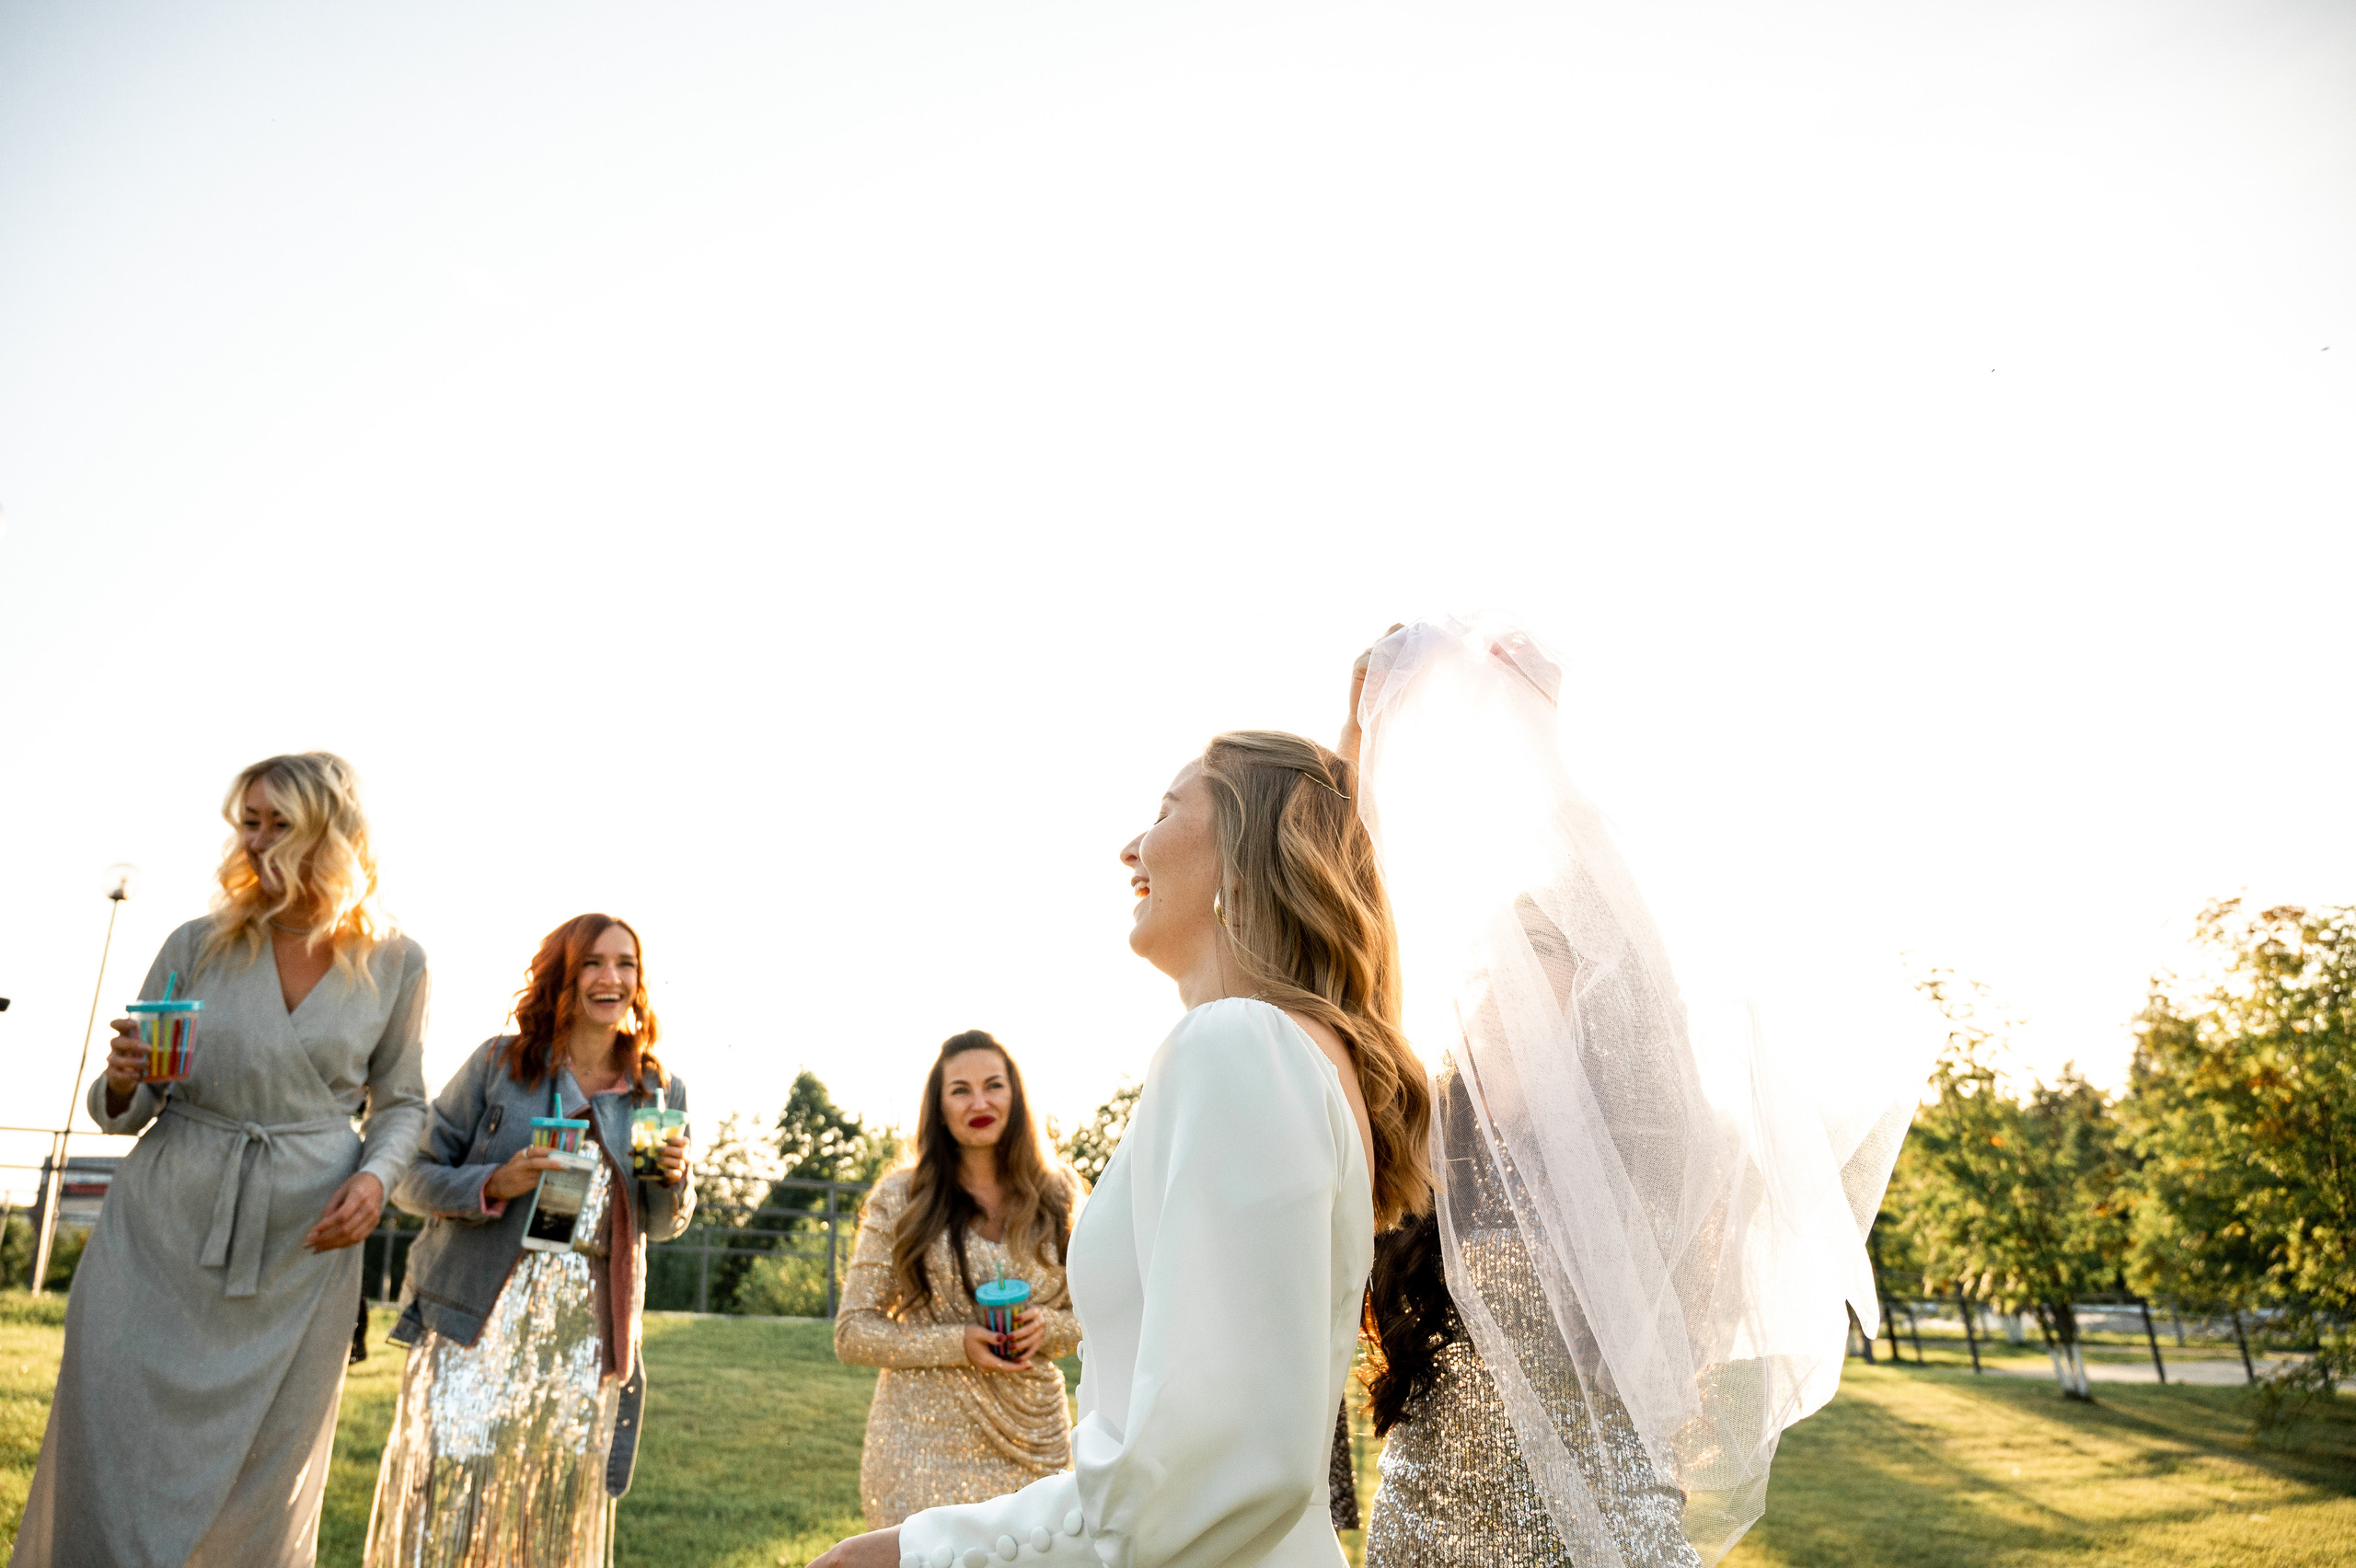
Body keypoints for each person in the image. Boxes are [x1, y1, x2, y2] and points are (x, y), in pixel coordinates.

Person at [1344, 617, 1919, 1568]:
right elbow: (1342, 951)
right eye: (1484, 968)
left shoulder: (1639, 1142)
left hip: (1596, 1539)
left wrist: (1543, 754)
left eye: (1534, 958)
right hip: (1422, 1540)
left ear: (1597, 990)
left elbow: (1631, 941)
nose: (1500, 988)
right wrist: (1358, 736)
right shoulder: (1422, 1139)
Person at [813, 730, 1432, 1568]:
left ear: (1243, 855)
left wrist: (920, 1553)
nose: (1131, 847)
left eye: (1167, 810)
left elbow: (1213, 1475)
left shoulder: (1240, 1045)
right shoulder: (1305, 1056)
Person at [11, 752, 429, 1568]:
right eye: (250, 820)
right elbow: (126, 1107)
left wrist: (375, 1178)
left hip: (300, 1252)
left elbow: (403, 1101)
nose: (257, 839)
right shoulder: (195, 944)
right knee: (119, 1460)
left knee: (264, 1479)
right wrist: (125, 1078)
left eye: (280, 823)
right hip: (161, 1238)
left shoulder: (397, 961)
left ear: (331, 834)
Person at [364, 913, 692, 1568]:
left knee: (552, 1513)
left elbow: (658, 1223)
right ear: (561, 980)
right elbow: (408, 1175)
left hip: (584, 1332)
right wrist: (496, 1181)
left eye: (626, 964)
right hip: (473, 1318)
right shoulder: (497, 1065)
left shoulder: (658, 1088)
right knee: (452, 1499)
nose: (612, 978)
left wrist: (676, 1184)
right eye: (593, 963)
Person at [834, 1031, 1086, 1526]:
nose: (979, 1101)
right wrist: (958, 1343)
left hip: (1034, 1442)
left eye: (993, 1085)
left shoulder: (1061, 1194)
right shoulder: (900, 1197)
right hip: (918, 1449)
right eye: (960, 1090)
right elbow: (852, 1334)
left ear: (1016, 1096)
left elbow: (1103, 1312)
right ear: (939, 1106)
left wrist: (1050, 1328)